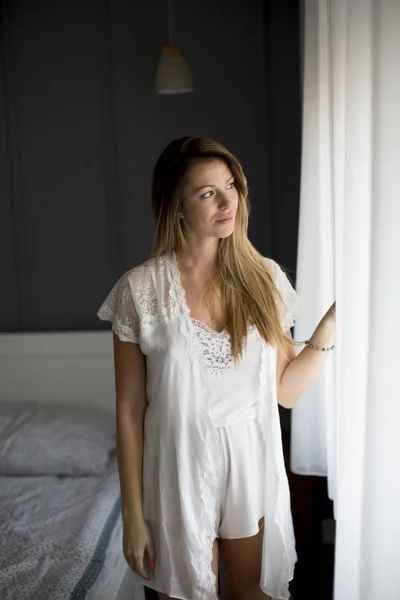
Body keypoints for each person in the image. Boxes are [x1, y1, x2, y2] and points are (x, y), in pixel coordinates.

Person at [97, 136, 336, 600]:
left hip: (250, 459)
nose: (229, 201)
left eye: (231, 186)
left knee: (252, 594)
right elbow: (129, 411)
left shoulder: (264, 278)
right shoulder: (140, 290)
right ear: (177, 206)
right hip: (175, 467)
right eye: (208, 192)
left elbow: (285, 391)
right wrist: (133, 516)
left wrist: (327, 332)